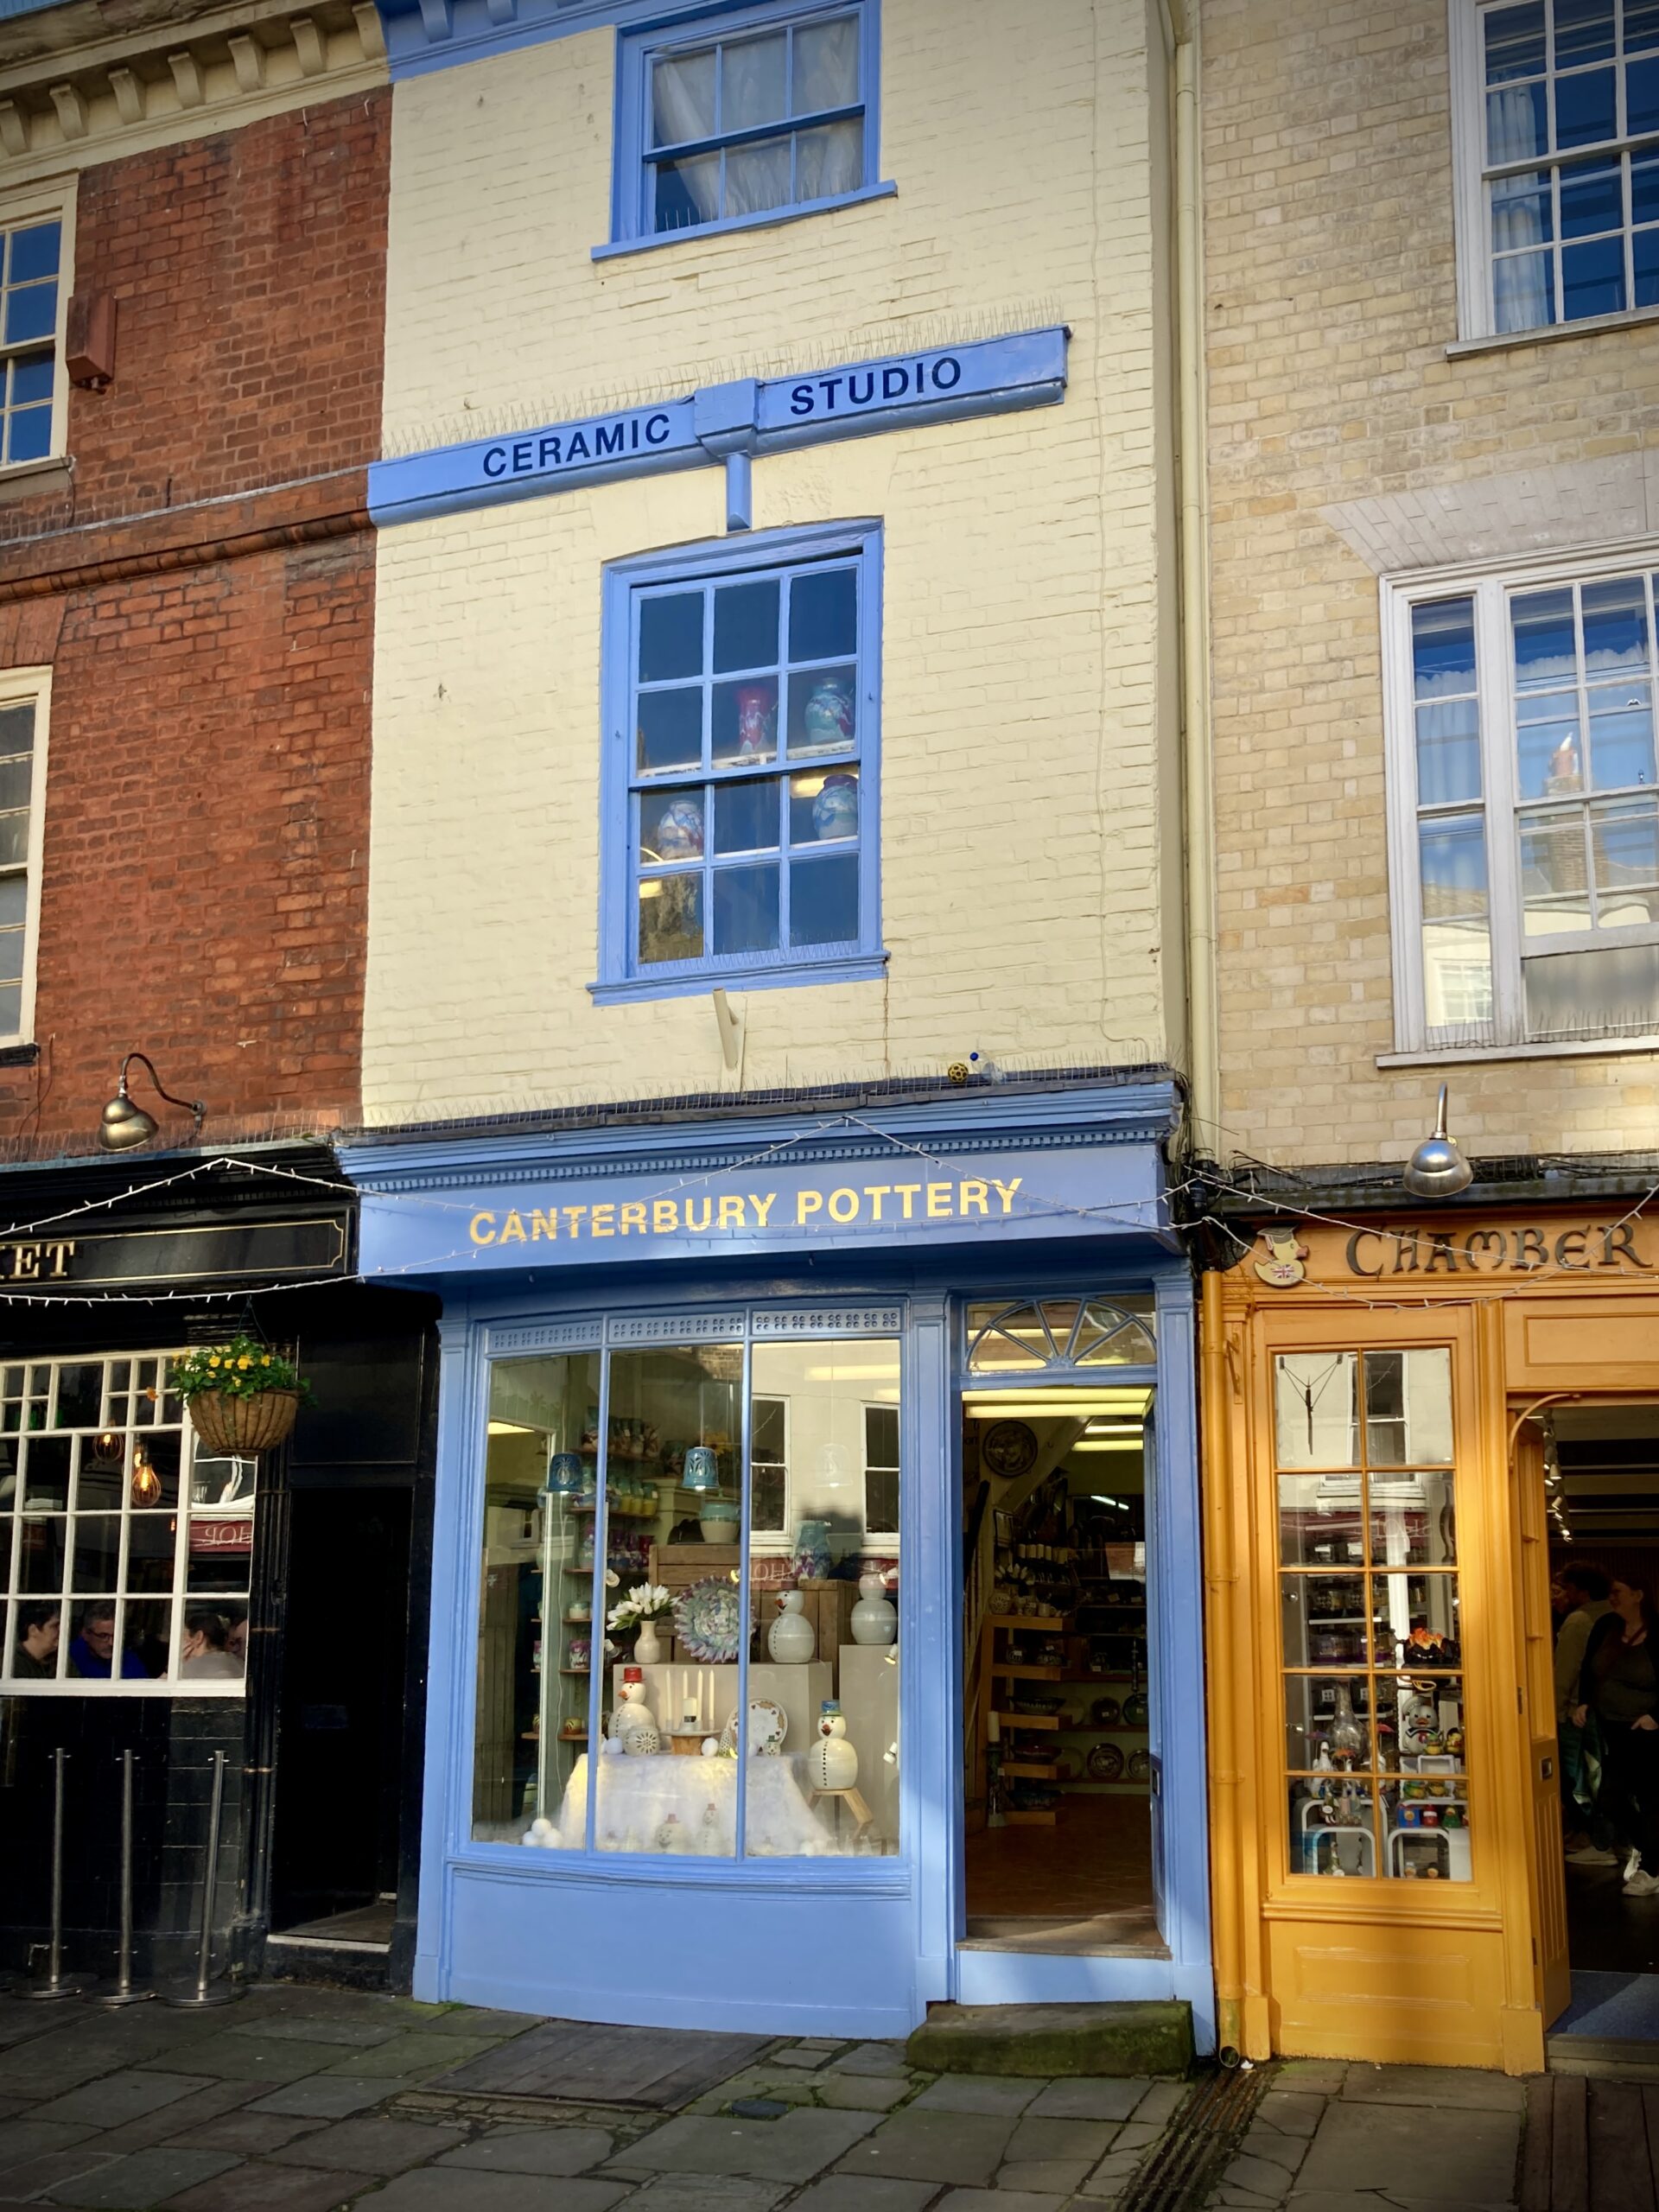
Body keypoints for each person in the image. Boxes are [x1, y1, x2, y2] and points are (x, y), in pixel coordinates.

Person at [1573, 1574, 1659, 1897]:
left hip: (1647, 1730)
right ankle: (1649, 1851)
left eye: (1618, 1592)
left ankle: (1651, 1869)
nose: (1612, 1598)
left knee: (1651, 1798)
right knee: (1610, 1797)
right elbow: (1588, 1669)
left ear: (1638, 1595)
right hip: (1609, 1728)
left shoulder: (1656, 1632)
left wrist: (1655, 1717)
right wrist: (1583, 1701)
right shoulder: (1605, 1626)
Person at [1555, 1564, 1615, 1863]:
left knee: (1575, 1778)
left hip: (1575, 1711)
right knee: (1602, 1774)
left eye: (1567, 1589)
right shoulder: (1610, 1614)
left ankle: (1596, 1840)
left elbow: (1565, 1672)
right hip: (1607, 1710)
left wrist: (1553, 1712)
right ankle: (1609, 1840)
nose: (1561, 1596)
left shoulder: (1578, 1621)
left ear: (1581, 1591)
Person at [67, 1601, 149, 1680]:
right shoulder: (68, 1658)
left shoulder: (130, 1660)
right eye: (103, 1636)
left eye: (116, 1636)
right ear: (86, 1634)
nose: (112, 1643)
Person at [179, 1609, 242, 1680]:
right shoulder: (239, 1664)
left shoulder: (188, 1670)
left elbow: (166, 1688)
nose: (180, 1642)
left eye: (184, 1636)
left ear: (198, 1637)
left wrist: (177, 1666)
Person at [10, 1601, 60, 1678]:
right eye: (54, 1626)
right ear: (33, 1630)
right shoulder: (12, 1663)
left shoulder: (49, 1662)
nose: (60, 1631)